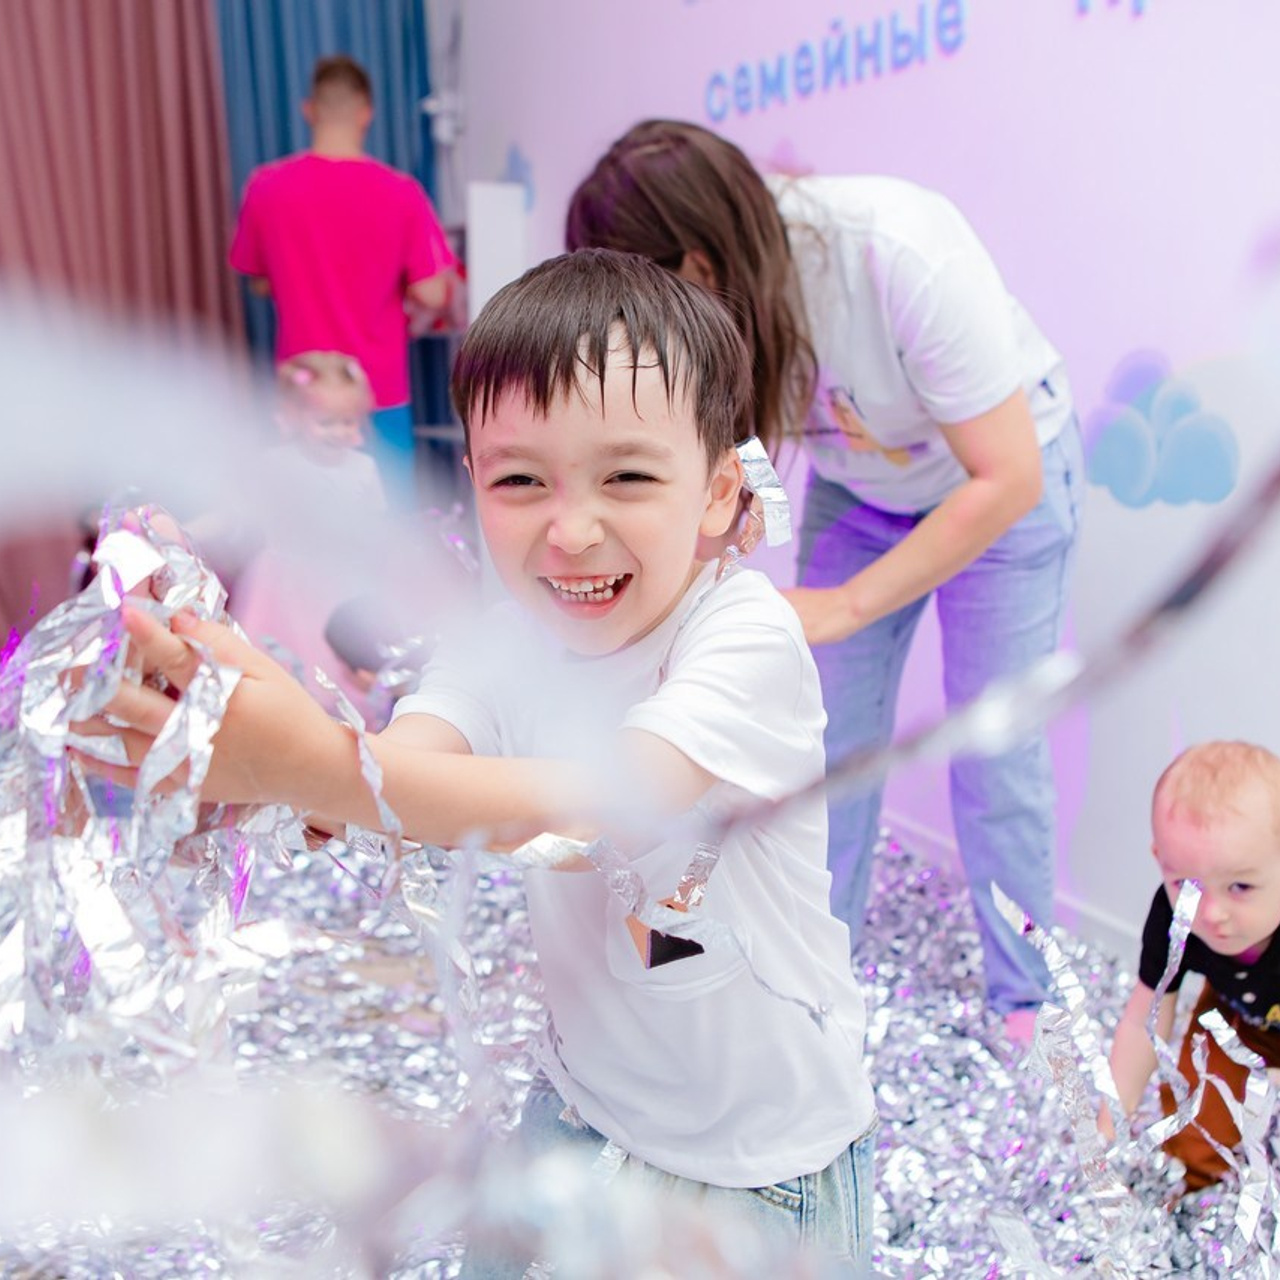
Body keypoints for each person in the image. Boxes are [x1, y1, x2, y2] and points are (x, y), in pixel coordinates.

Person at [81, 249, 878, 1272]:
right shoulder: (507, 638)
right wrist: (262, 745)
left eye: (627, 475)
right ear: (473, 483)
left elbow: (608, 798)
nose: (572, 527)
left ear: (719, 489)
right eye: (521, 480)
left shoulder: (740, 634)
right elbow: (403, 766)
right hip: (580, 1107)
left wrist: (313, 766)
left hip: (755, 1168)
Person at [566, 120, 1085, 1037]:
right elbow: (737, 472)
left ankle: (1027, 1004)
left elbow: (1009, 478)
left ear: (694, 262)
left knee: (993, 747)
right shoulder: (724, 310)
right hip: (864, 489)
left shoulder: (897, 249)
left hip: (1003, 485)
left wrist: (844, 604)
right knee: (819, 738)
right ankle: (811, 960)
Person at [229, 54, 459, 506]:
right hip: (379, 393)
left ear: (309, 109)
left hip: (303, 395)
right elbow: (433, 290)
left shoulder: (266, 187)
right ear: (366, 113)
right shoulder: (401, 191)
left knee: (302, 530)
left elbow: (256, 279)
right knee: (386, 527)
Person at [1104, 741, 1280, 1192]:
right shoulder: (1175, 918)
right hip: (1236, 1018)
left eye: (1240, 886)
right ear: (1160, 862)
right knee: (1195, 1139)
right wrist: (1107, 1125)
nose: (1212, 913)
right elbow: (1143, 1021)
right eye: (1187, 884)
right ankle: (1189, 1194)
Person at [230, 350, 387, 712]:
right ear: (295, 418)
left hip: (340, 576)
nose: (339, 432)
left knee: (336, 658)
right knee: (282, 656)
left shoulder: (363, 468)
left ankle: (337, 721)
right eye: (326, 422)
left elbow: (375, 523)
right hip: (285, 579)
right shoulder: (276, 463)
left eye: (349, 423)